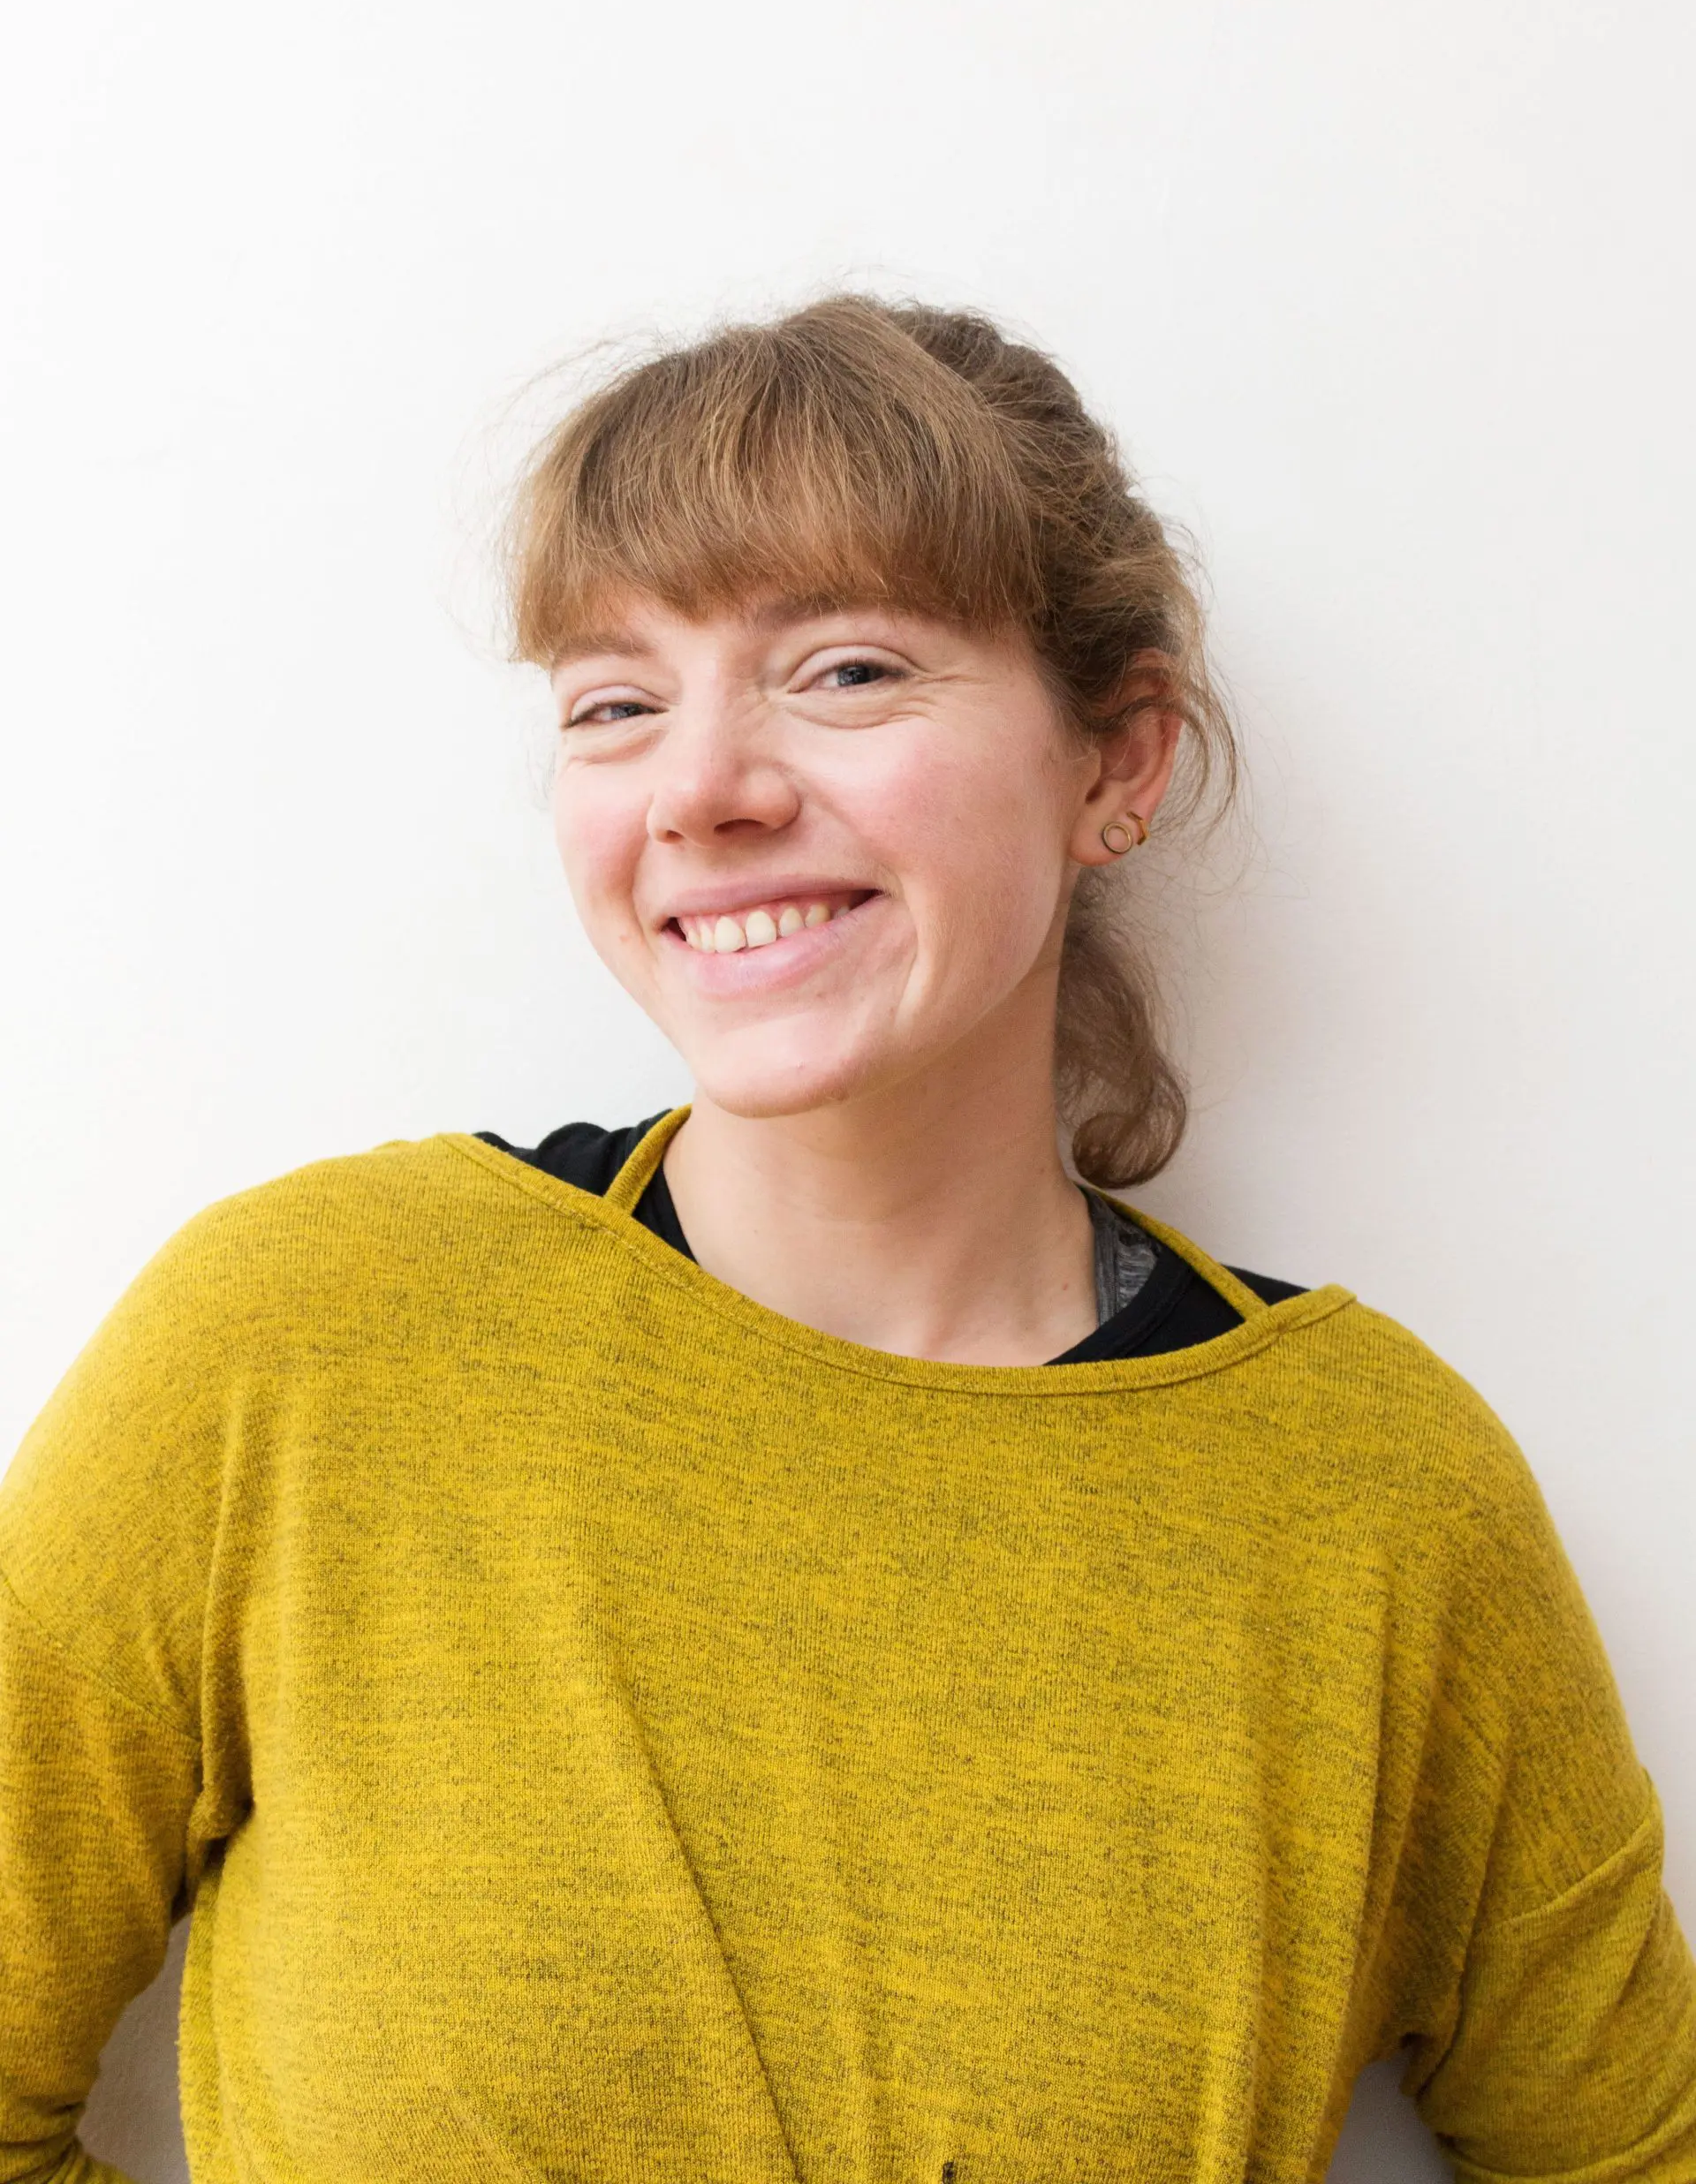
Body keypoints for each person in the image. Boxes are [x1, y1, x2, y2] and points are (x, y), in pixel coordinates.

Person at [2, 296, 1692, 2184]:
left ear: (1114, 761)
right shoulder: (303, 1340)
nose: (702, 787)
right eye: (615, 702)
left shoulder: (1378, 1497)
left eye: (849, 670)